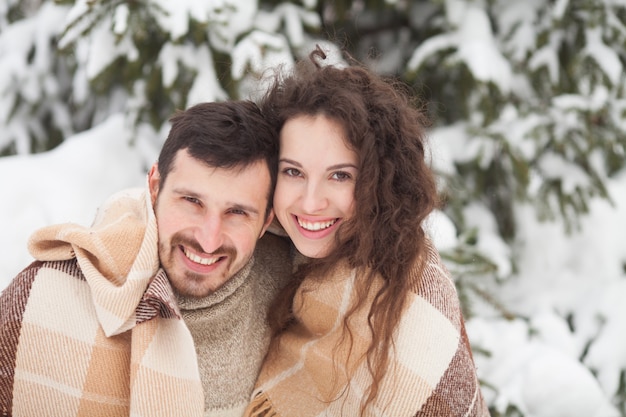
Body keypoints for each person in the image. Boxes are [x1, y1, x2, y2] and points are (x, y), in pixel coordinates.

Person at [0, 101, 292, 417]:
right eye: (192, 201)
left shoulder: (294, 295)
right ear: (154, 187)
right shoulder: (45, 301)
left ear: (266, 221)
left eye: (237, 212)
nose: (208, 241)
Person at [244, 47, 490, 416]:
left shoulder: (411, 300)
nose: (311, 203)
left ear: (380, 182)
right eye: (293, 172)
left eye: (340, 176)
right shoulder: (257, 254)